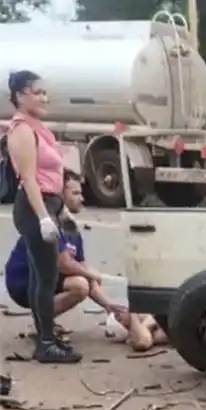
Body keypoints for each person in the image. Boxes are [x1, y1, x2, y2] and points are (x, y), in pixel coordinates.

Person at [5, 70, 83, 363]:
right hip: (33, 206)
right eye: (37, 92)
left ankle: (47, 337)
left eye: (44, 92)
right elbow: (28, 179)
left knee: (43, 276)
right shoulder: (22, 129)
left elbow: (51, 174)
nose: (43, 97)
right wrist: (43, 217)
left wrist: (60, 211)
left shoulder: (38, 127)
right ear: (21, 95)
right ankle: (46, 343)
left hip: (48, 204)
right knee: (46, 276)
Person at [4, 170, 127, 335]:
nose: (81, 199)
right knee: (80, 285)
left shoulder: (72, 228)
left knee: (82, 281)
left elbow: (83, 271)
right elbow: (63, 264)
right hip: (22, 283)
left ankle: (45, 321)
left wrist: (108, 305)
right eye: (75, 193)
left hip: (47, 280)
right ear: (60, 195)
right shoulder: (51, 224)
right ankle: (42, 323)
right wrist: (91, 274)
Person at [104, 311, 168, 352]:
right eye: (117, 316)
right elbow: (143, 342)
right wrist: (133, 312)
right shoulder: (153, 333)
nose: (121, 312)